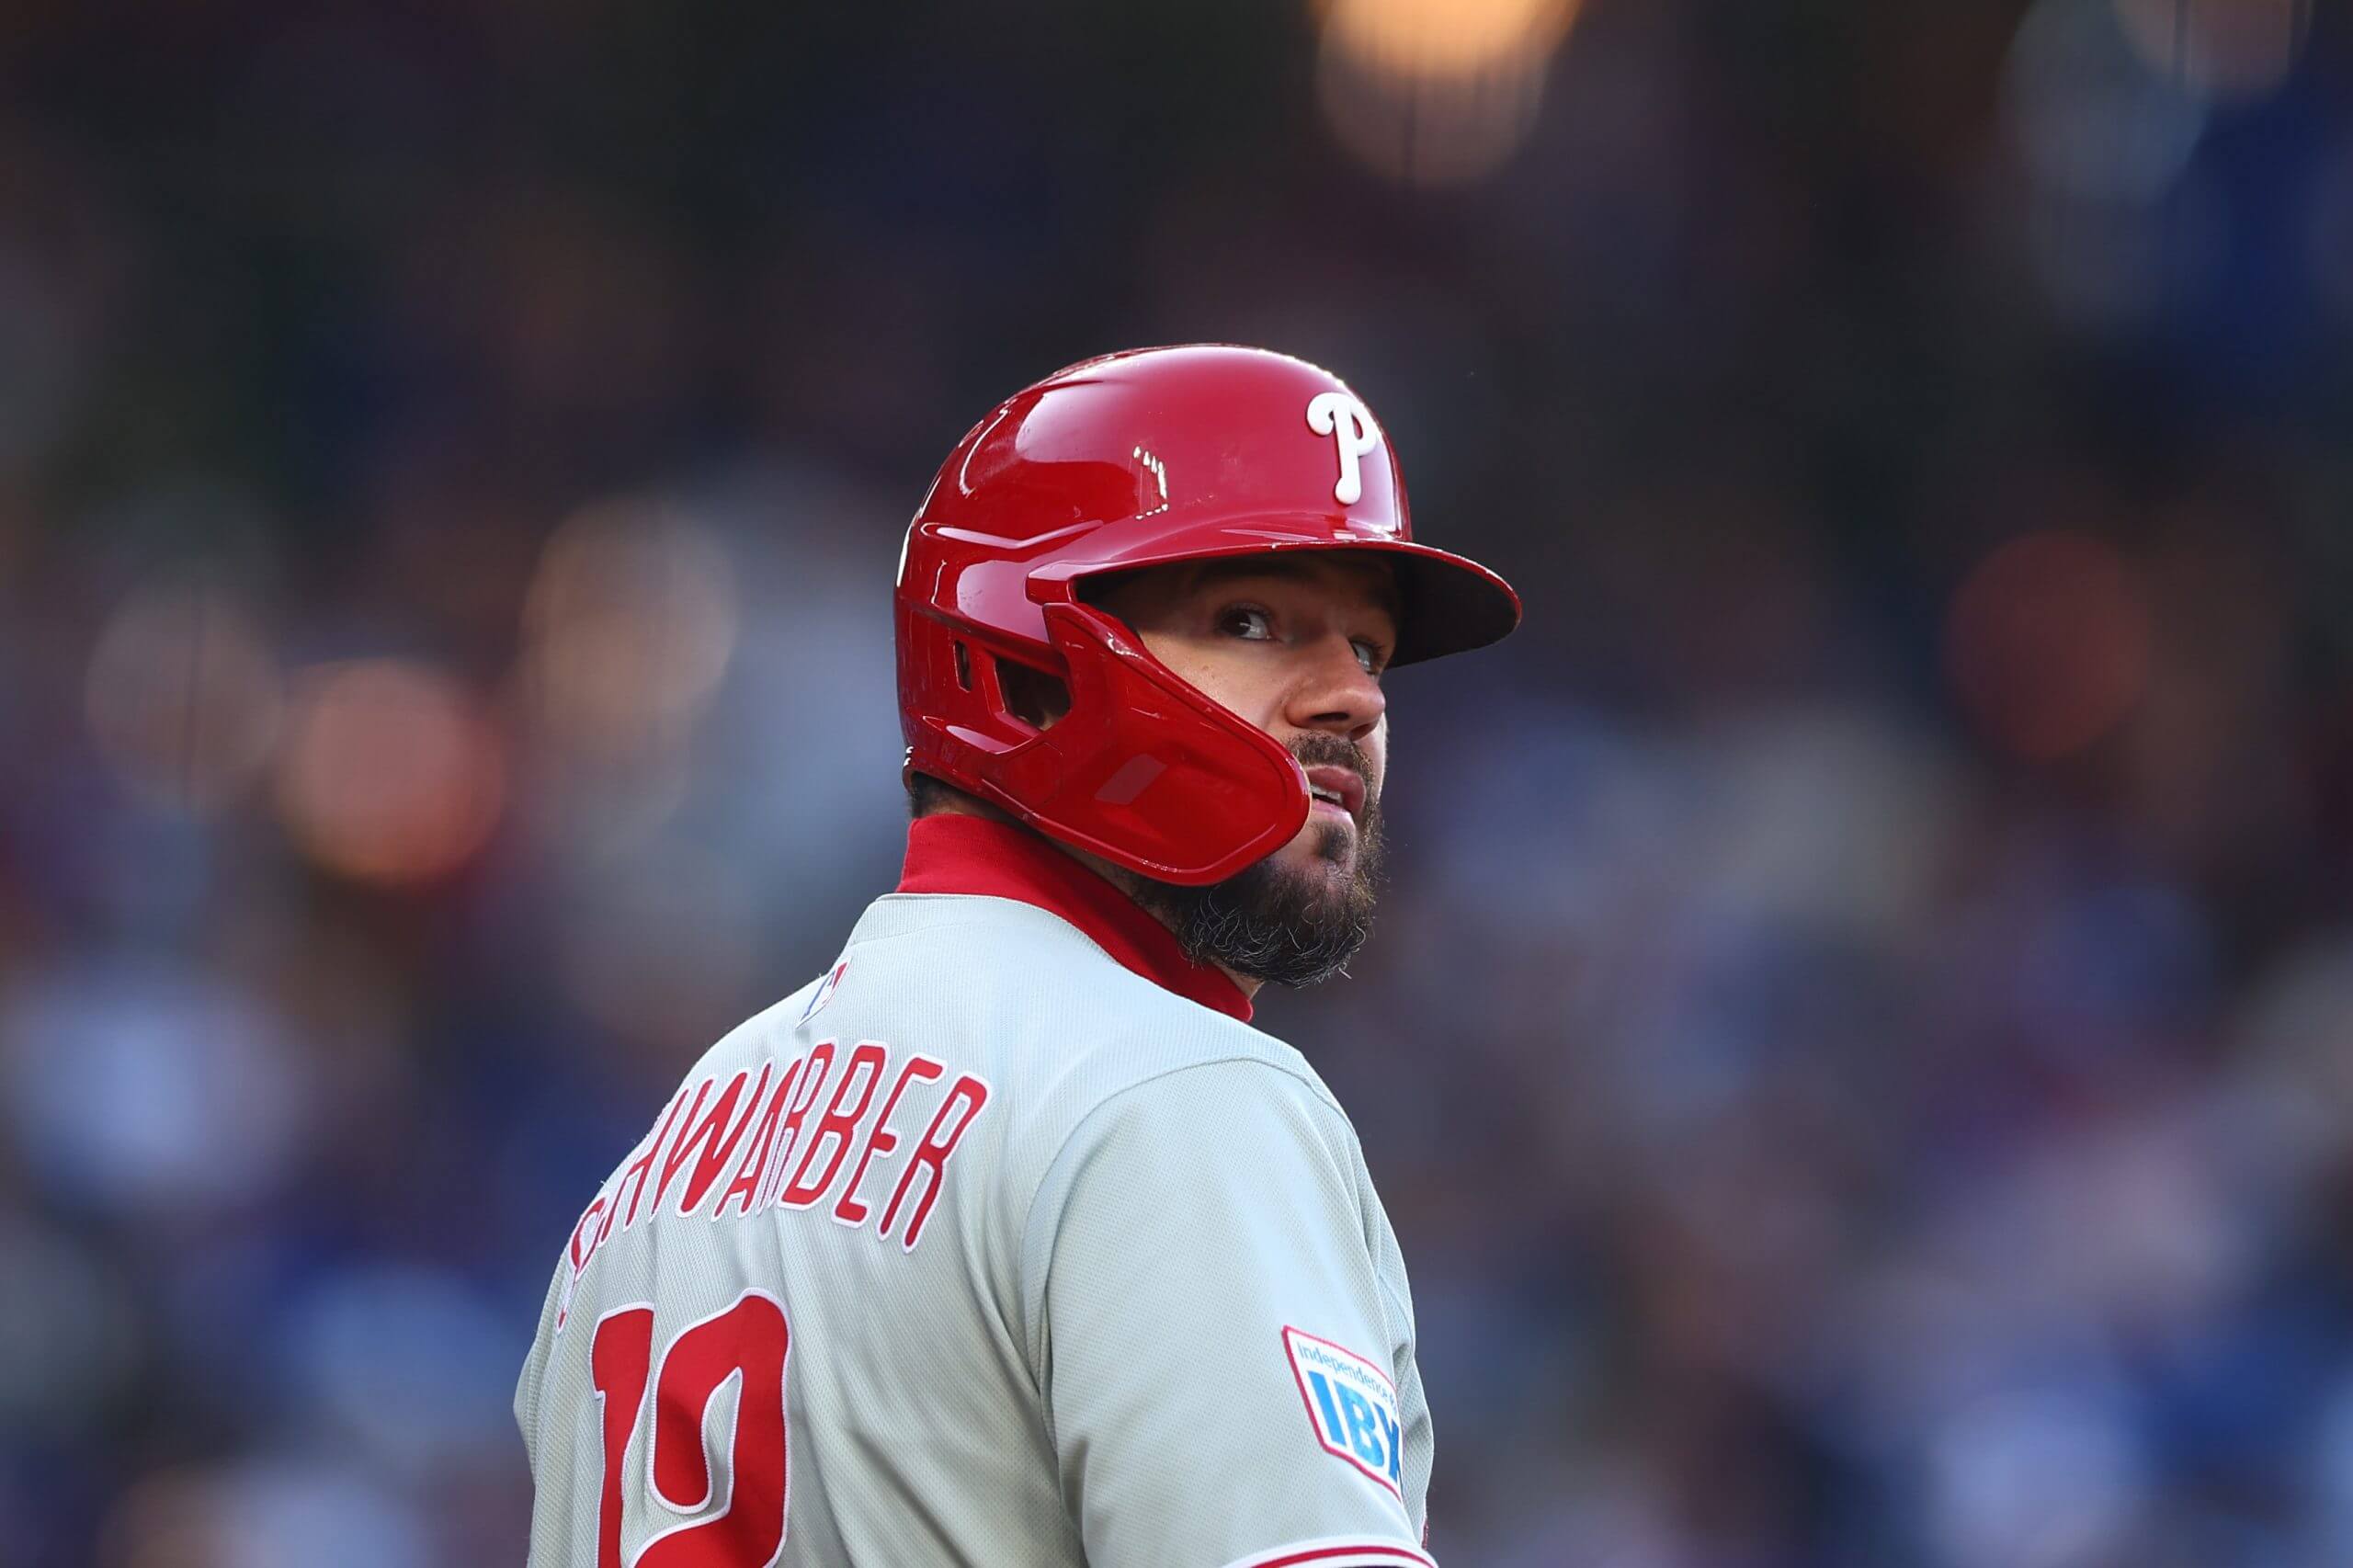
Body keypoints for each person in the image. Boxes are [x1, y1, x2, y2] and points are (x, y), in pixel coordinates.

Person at [516, 345, 1521, 1567]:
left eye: (1367, 649)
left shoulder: (662, 1166)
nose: (1352, 700)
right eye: (1253, 621)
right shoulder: (1166, 1098)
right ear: (1028, 665)